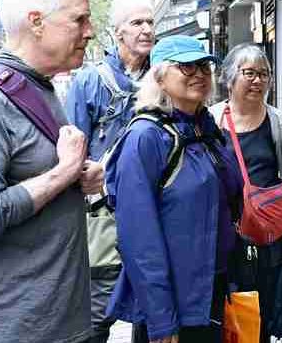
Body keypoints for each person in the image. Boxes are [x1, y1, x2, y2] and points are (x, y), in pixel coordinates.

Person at [0, 0, 103, 343]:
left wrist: (78, 178)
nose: (90, 31)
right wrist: (64, 172)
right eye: (79, 19)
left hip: (62, 322)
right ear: (36, 22)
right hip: (18, 329)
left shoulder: (42, 87)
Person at [107, 35, 243, 343]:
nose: (199, 73)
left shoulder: (206, 128)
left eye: (204, 67)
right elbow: (139, 239)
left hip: (214, 289)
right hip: (175, 305)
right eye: (186, 66)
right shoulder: (145, 137)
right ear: (159, 77)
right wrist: (161, 319)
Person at [66, 0, 155, 343]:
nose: (146, 29)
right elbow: (73, 156)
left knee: (154, 312)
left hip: (154, 211)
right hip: (104, 216)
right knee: (98, 313)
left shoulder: (165, 77)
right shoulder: (89, 81)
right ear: (117, 32)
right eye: (137, 23)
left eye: (150, 22)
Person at [210, 43, 282, 343]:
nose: (258, 81)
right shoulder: (211, 121)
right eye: (249, 73)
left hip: (269, 239)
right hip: (224, 239)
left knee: (262, 317)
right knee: (227, 316)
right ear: (229, 78)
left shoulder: (278, 123)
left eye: (264, 74)